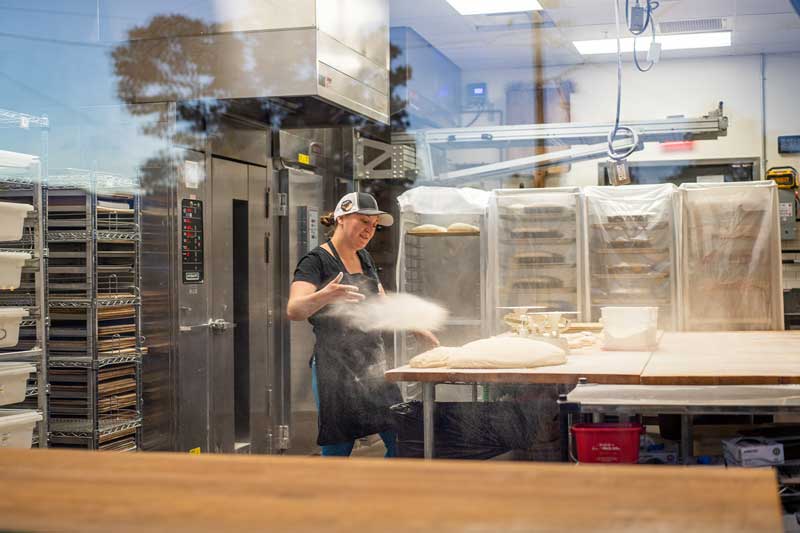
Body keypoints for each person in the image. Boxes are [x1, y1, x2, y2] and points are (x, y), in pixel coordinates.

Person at [287, 191, 438, 457]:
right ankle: (334, 498)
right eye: (363, 221)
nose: (369, 230)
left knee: (402, 438)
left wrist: (415, 326)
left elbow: (380, 301)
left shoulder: (363, 257)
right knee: (338, 445)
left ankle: (382, 497)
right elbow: (294, 309)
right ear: (341, 217)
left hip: (372, 363)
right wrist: (326, 295)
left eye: (373, 225)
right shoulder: (316, 261)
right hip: (335, 367)